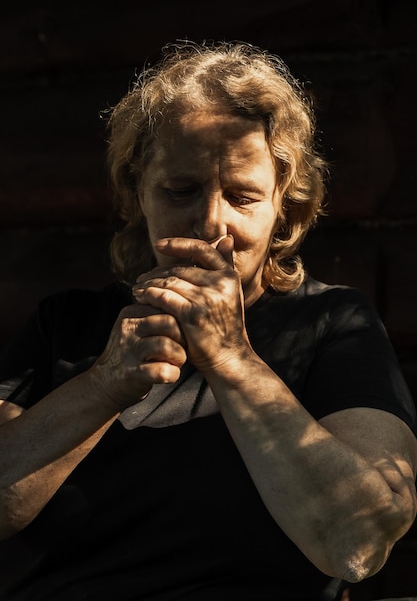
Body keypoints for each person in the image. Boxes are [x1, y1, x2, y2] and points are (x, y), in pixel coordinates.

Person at [0, 40, 416, 601]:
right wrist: (103, 385)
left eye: (243, 197)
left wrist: (231, 359)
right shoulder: (65, 324)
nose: (211, 223)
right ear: (137, 194)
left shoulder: (333, 324)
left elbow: (359, 540)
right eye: (180, 190)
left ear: (284, 210)